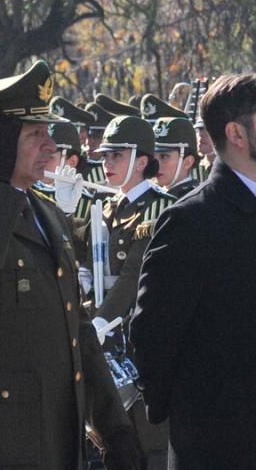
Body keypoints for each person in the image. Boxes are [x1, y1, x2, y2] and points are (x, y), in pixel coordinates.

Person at [0, 61, 136, 469]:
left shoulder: (47, 213)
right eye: (36, 134)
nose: (51, 147)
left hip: (57, 437)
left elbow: (78, 330)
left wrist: (115, 430)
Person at [131, 73, 256, 469]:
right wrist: (192, 417)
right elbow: (154, 335)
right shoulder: (191, 221)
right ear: (236, 133)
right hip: (217, 447)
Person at [69, 113, 176, 470]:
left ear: (141, 161)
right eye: (104, 155)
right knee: (113, 445)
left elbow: (133, 276)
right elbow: (76, 259)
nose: (106, 162)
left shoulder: (159, 207)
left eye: (116, 155)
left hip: (139, 337)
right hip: (106, 337)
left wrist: (96, 322)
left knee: (150, 445)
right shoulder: (108, 207)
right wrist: (62, 211)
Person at [152, 116, 200, 199]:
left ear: (188, 162)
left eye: (164, 156)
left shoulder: (195, 200)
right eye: (153, 156)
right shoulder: (154, 196)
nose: (155, 164)